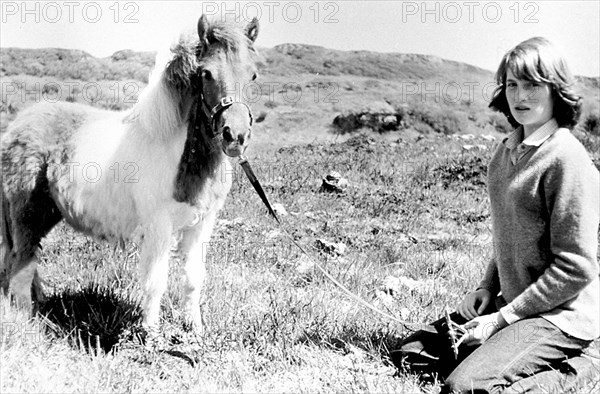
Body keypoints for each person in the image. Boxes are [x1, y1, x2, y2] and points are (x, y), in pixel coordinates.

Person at [442, 37, 600, 393]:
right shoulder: (506, 153)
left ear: (556, 90)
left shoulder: (567, 159)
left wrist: (500, 320)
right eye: (512, 84)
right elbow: (509, 235)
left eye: (532, 85)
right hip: (513, 305)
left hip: (560, 316)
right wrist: (486, 287)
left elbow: (576, 268)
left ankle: (582, 368)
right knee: (412, 354)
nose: (519, 96)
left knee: (464, 388)